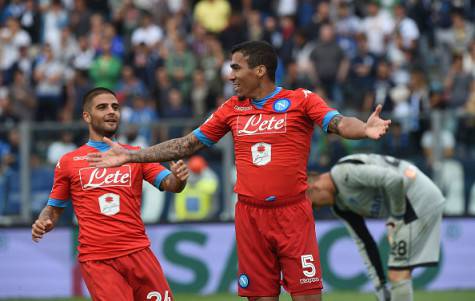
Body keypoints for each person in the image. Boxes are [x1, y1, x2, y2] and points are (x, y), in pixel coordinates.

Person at [87, 41, 391, 301]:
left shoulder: (301, 100)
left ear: (259, 70)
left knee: (309, 295)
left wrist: (364, 129)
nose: (230, 75)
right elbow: (186, 144)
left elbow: (338, 124)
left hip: (293, 215)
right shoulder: (231, 108)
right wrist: (130, 157)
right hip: (250, 217)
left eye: (236, 68)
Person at [31, 87, 189, 301]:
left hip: (138, 251)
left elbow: (171, 184)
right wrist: (43, 221)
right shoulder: (68, 162)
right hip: (98, 259)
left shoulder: (135, 154)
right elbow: (53, 210)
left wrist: (179, 178)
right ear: (87, 116)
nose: (111, 111)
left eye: (115, 107)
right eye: (102, 107)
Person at [307, 153, 445, 301]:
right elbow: (364, 242)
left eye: (314, 204)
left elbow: (394, 179)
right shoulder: (339, 206)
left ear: (314, 187)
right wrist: (380, 285)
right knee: (400, 271)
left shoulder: (344, 173)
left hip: (417, 200)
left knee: (398, 273)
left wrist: (397, 216)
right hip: (414, 204)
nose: (318, 208)